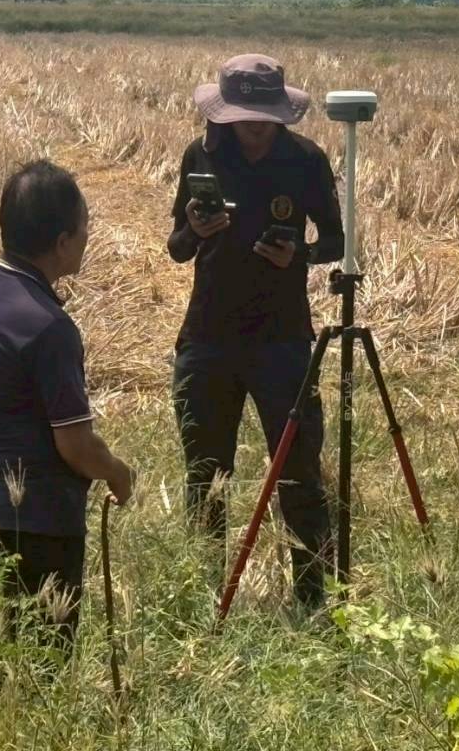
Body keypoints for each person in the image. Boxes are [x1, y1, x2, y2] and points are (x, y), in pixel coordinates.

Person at [0, 159, 134, 655]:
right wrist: (116, 472)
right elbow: (75, 445)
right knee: (44, 662)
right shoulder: (49, 326)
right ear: (63, 242)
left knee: (5, 652)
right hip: (41, 520)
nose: (88, 238)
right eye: (85, 229)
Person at [167, 53, 344, 608]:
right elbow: (175, 248)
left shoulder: (306, 160)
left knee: (298, 474)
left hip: (283, 340)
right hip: (209, 336)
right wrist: (195, 230)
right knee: (206, 475)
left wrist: (298, 255)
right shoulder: (202, 153)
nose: (253, 126)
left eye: (263, 116)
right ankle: (204, 597)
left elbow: (335, 243)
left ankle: (313, 600)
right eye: (244, 115)